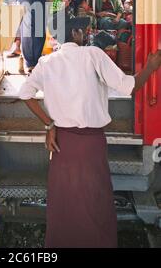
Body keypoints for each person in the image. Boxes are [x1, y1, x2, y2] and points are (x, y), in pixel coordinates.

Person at [18, 24, 161, 248]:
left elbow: (24, 93)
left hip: (62, 144)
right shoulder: (93, 54)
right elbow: (129, 87)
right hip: (91, 144)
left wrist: (49, 125)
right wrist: (151, 67)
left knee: (64, 204)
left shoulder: (46, 62)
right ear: (76, 32)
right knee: (95, 202)